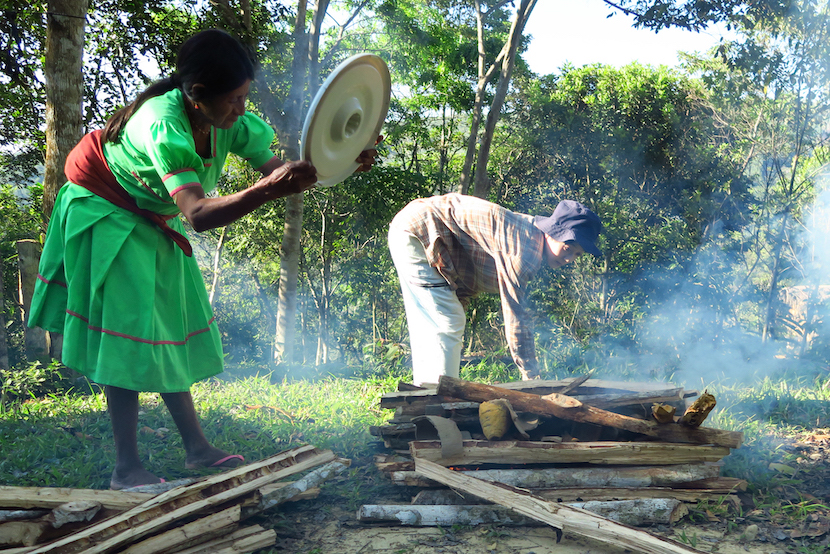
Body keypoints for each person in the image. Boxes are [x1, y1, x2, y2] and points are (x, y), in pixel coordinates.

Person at [28, 29, 379, 490]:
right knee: (129, 334)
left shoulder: (229, 120)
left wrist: (343, 160)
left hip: (151, 211)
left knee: (169, 321)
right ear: (197, 97)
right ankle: (125, 469)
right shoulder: (162, 124)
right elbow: (196, 213)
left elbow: (278, 173)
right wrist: (269, 190)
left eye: (245, 96)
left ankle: (196, 448)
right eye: (234, 99)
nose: (241, 108)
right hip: (106, 210)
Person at [388, 193, 602, 386]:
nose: (569, 259)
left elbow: (466, 267)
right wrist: (532, 377)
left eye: (577, 254)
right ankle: (436, 399)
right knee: (447, 321)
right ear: (551, 232)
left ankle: (427, 392)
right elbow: (515, 315)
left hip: (417, 230)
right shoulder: (524, 250)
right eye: (567, 248)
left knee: (441, 321)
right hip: (418, 230)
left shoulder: (531, 237)